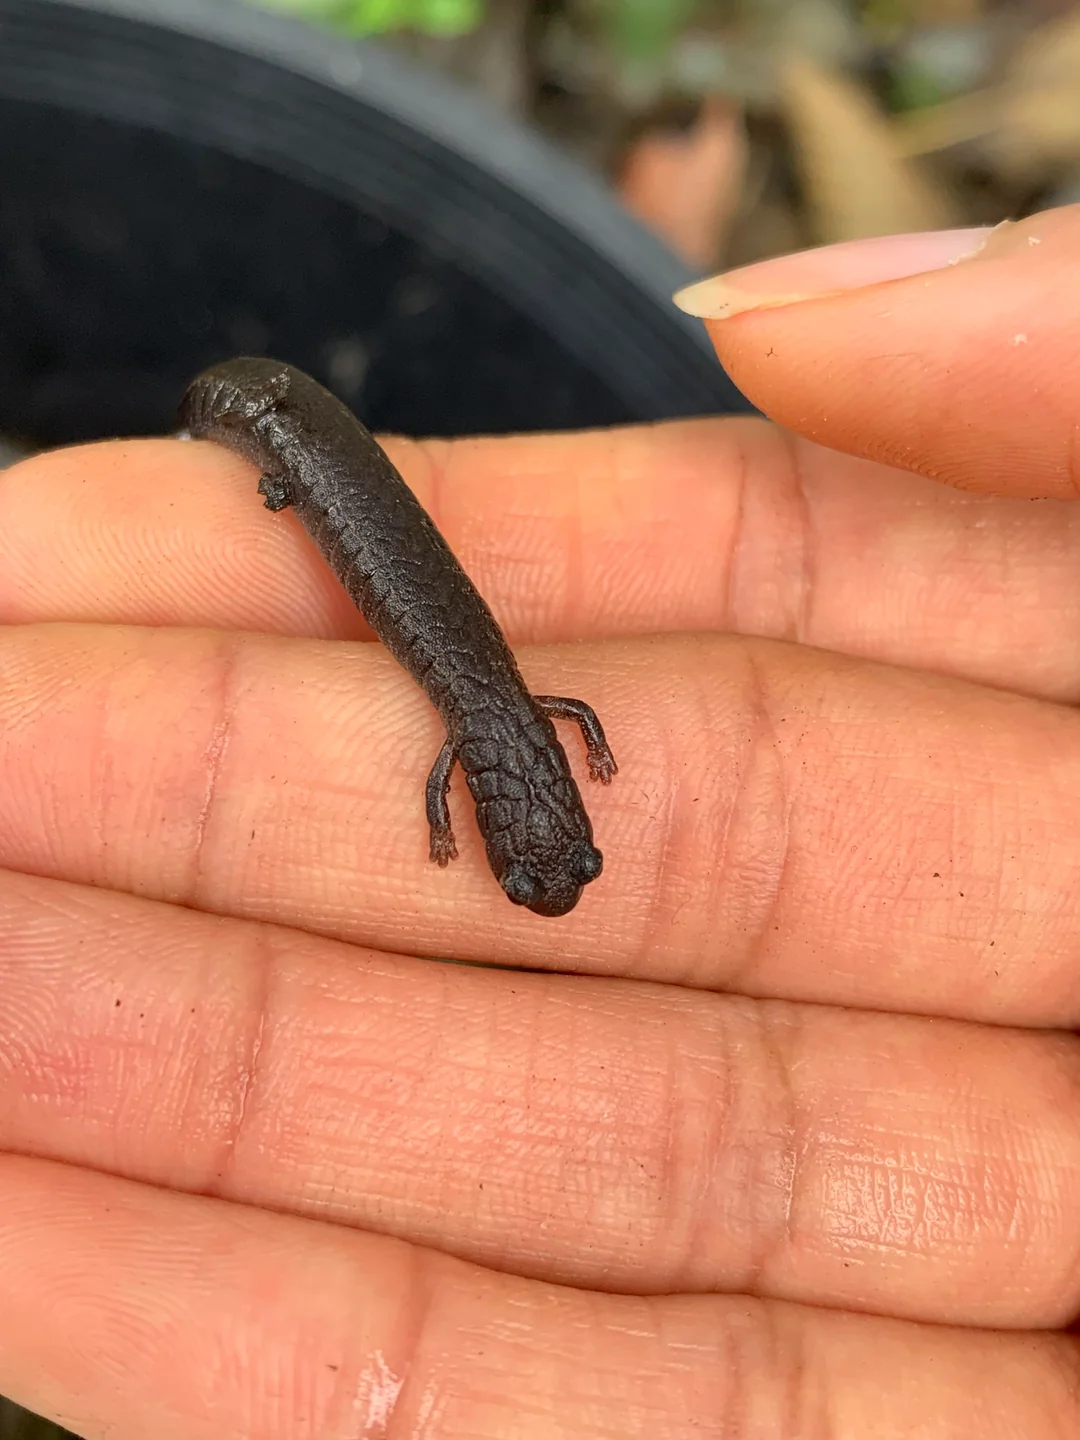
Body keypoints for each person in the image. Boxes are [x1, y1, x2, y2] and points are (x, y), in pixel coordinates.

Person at [0, 206, 1078, 1438]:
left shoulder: (487, 733)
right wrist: (469, 820)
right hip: (302, 445)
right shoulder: (495, 727)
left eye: (527, 855)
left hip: (378, 539)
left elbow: (522, 727)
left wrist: (477, 812)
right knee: (271, 424)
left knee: (414, 610)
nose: (533, 852)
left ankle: (253, 427)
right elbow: (528, 723)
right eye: (536, 853)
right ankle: (244, 424)